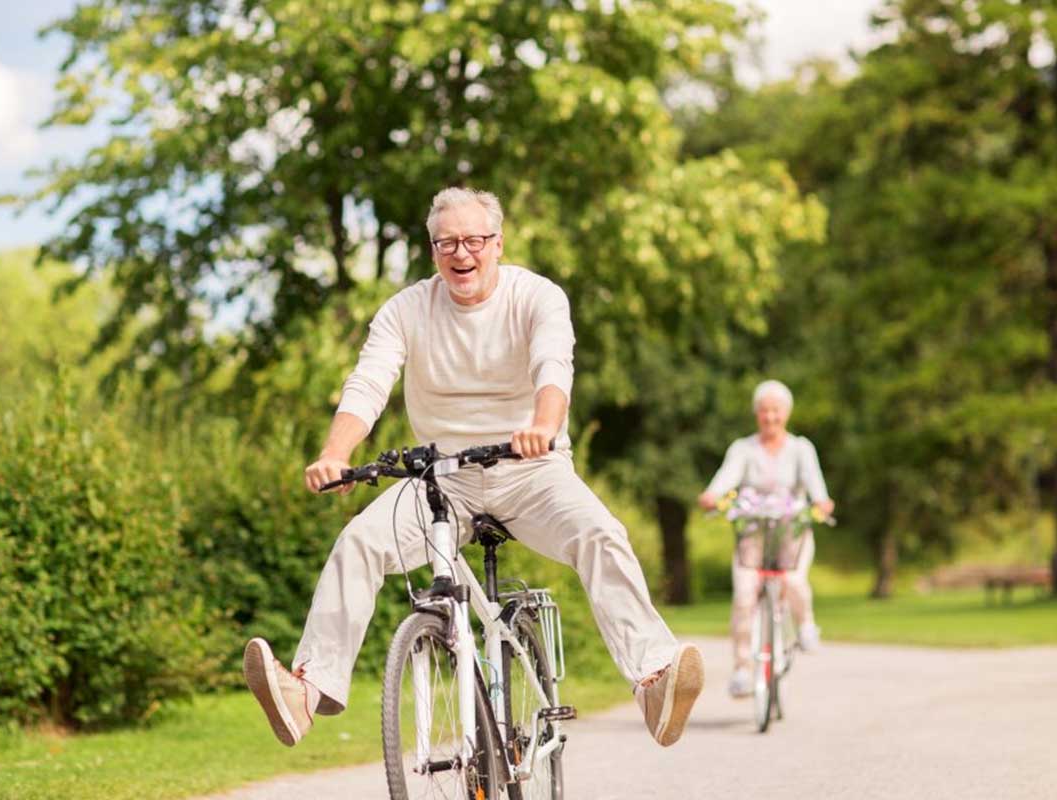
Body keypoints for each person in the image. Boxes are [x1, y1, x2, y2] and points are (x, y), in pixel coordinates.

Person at [243, 186, 704, 749]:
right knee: (358, 542)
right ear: (433, 250)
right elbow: (368, 383)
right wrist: (334, 454)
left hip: (531, 470)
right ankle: (306, 692)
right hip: (442, 478)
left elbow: (553, 367)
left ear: (497, 244)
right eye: (447, 243)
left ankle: (654, 679)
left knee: (601, 534)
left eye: (474, 240)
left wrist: (543, 425)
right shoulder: (406, 309)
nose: (461, 253)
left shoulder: (537, 296)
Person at [697, 379, 835, 698]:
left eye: (776, 411)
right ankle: (743, 669)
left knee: (793, 580)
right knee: (745, 595)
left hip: (791, 532)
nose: (770, 417)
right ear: (756, 414)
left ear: (786, 413)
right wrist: (712, 495)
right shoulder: (743, 449)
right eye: (764, 411)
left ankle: (805, 625)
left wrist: (822, 502)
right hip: (753, 534)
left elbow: (816, 486)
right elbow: (725, 478)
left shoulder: (801, 448)